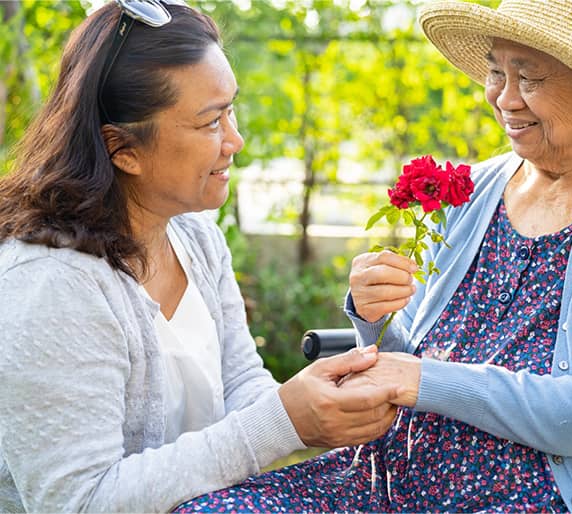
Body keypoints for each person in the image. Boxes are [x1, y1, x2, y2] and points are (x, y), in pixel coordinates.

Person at [174, 0, 572, 512]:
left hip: (540, 495)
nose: (504, 98)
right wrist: (373, 319)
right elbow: (414, 357)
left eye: (531, 77)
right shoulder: (471, 191)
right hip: (383, 476)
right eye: (498, 71)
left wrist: (426, 381)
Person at [0, 1, 401, 512]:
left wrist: (318, 403)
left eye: (231, 110)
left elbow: (240, 386)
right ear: (122, 148)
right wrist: (282, 421)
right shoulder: (50, 285)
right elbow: (78, 501)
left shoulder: (194, 236)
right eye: (211, 122)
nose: (236, 140)